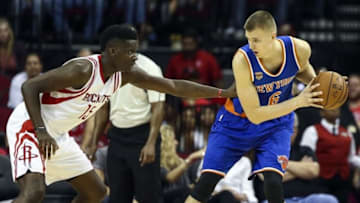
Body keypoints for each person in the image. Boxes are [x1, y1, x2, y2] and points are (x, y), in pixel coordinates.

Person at [6, 24, 236, 203]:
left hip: (57, 134)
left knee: (95, 193)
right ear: (113, 51)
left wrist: (222, 92)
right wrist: (42, 131)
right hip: (30, 125)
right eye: (130, 52)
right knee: (34, 193)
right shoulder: (83, 69)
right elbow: (30, 87)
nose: (135, 57)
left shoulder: (125, 75)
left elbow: (173, 86)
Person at [185, 10, 325, 203]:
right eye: (249, 39)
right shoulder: (242, 60)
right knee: (206, 184)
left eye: (257, 40)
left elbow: (303, 71)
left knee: (273, 181)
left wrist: (324, 87)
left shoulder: (299, 49)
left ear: (273, 37)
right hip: (237, 122)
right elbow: (255, 115)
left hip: (276, 121)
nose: (252, 45)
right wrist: (299, 101)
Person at [82, 53, 166, 203]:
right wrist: (93, 142)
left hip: (142, 136)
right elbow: (103, 109)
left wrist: (151, 143)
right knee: (118, 196)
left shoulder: (150, 67)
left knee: (149, 196)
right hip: (116, 136)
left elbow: (158, 107)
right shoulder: (108, 68)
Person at [259, 113, 338, 203]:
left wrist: (282, 163)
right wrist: (301, 167)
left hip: (307, 199)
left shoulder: (304, 150)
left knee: (329, 200)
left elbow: (314, 171)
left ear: (295, 131)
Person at [300, 108, 360, 203]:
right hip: (321, 180)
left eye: (336, 108)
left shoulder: (347, 133)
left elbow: (351, 158)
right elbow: (306, 154)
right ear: (322, 112)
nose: (334, 110)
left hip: (342, 180)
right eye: (330, 108)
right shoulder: (312, 130)